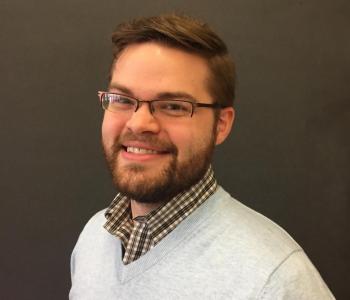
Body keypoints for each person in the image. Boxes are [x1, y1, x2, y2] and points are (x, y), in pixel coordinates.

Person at [69, 13, 334, 299]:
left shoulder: (275, 280)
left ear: (221, 125)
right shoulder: (94, 239)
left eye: (173, 106)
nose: (138, 123)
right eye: (122, 99)